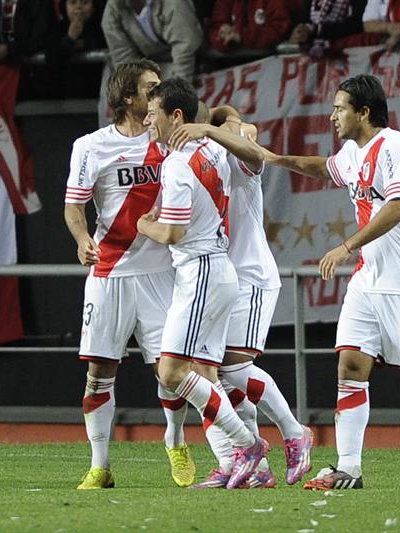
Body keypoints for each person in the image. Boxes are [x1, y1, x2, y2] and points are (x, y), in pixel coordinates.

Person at [260, 74, 400, 491]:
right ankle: (350, 467)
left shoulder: (397, 148)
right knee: (350, 364)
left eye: (340, 108)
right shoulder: (351, 152)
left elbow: (398, 207)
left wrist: (346, 246)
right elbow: (324, 169)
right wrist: (276, 159)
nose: (333, 117)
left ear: (364, 112)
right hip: (369, 280)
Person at [164, 111, 314, 489]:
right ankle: (249, 468)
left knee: (230, 371)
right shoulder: (198, 158)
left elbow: (249, 141)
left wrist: (216, 126)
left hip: (251, 275)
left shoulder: (231, 151)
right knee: (213, 378)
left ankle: (294, 433)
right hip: (219, 276)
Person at [137, 78, 269, 490]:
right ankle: (247, 469)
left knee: (171, 371)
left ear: (176, 116)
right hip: (215, 269)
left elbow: (173, 234)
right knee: (205, 377)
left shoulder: (177, 164)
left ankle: (250, 445)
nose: (146, 120)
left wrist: (145, 223)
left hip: (201, 273)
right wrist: (228, 122)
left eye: (152, 112)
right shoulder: (212, 149)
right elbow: (236, 130)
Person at [64, 59, 184, 490]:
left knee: (170, 371)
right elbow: (74, 207)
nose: (158, 95)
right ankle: (100, 466)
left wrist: (239, 124)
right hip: (109, 271)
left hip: (160, 273)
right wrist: (81, 240)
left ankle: (175, 439)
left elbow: (215, 120)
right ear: (128, 97)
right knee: (100, 371)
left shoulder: (170, 142)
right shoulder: (91, 146)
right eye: (150, 89)